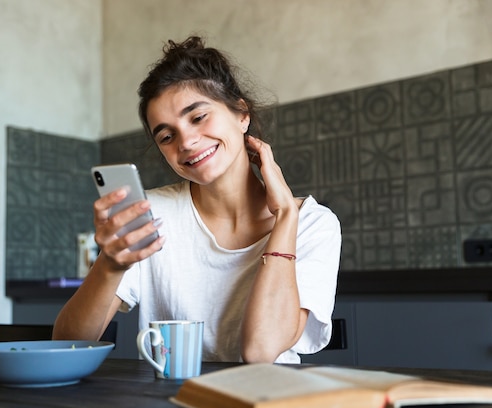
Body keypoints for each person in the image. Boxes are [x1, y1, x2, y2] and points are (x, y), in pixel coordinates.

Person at [53, 35, 341, 364]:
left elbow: (260, 351)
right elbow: (66, 346)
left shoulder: (314, 224)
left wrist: (287, 215)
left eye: (198, 117)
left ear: (241, 114)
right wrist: (109, 265)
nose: (187, 142)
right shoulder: (150, 216)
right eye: (167, 135)